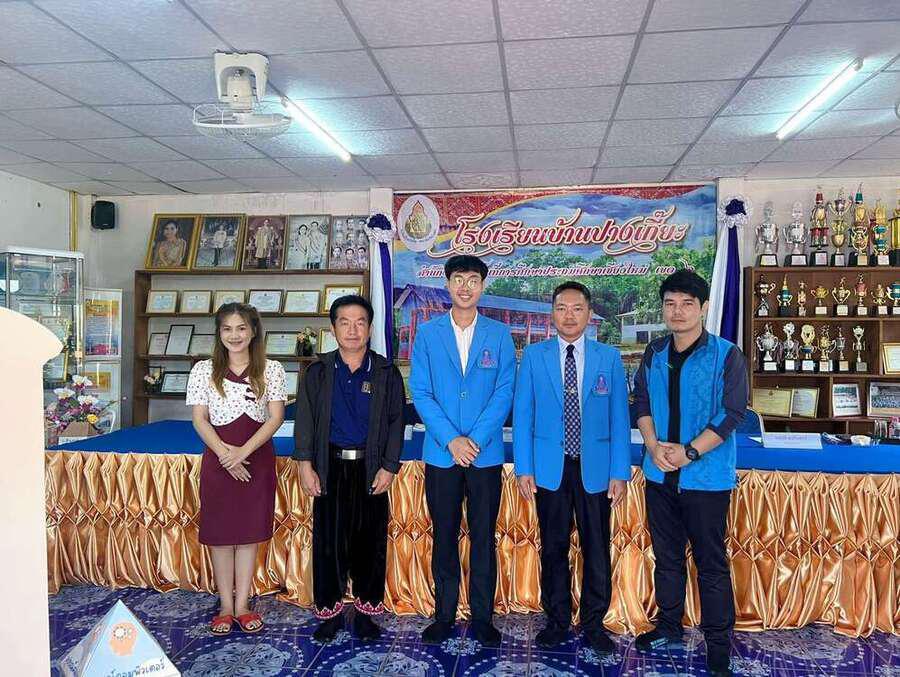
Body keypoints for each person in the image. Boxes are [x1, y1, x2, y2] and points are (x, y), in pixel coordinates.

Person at [631, 269, 747, 677]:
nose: (677, 311)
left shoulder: (726, 355)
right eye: (670, 304)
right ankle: (668, 628)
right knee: (666, 559)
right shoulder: (654, 352)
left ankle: (718, 646)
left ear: (703, 308)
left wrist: (690, 452)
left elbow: (732, 413)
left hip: (706, 479)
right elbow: (641, 402)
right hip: (660, 474)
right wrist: (653, 447)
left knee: (711, 564)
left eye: (687, 304)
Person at [513, 281, 630, 653]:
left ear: (589, 313)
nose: (569, 315)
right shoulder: (534, 356)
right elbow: (523, 414)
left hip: (596, 468)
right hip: (550, 468)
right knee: (553, 547)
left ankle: (594, 623)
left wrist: (620, 471)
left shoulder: (608, 357)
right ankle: (557, 620)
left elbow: (619, 417)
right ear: (552, 313)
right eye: (562, 308)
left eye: (577, 308)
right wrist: (523, 468)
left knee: (596, 547)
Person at [408, 254, 515, 646]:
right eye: (458, 279)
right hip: (442, 453)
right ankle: (444, 615)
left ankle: (483, 618)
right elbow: (421, 391)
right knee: (445, 534)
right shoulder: (428, 333)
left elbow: (504, 391)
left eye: (473, 280)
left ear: (482, 286)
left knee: (483, 536)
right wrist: (451, 439)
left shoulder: (499, 334)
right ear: (447, 284)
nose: (465, 287)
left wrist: (475, 439)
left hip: (485, 455)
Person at [294, 295, 405, 642]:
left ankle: (366, 613)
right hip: (330, 467)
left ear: (370, 328)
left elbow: (396, 422)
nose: (353, 330)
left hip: (371, 469)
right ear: (333, 328)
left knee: (369, 543)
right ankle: (329, 612)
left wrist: (389, 467)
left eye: (360, 323)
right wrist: (305, 465)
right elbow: (305, 421)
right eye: (345, 322)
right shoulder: (318, 371)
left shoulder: (386, 372)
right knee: (329, 543)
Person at [186, 303, 287, 636]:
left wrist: (243, 452)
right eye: (227, 329)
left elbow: (275, 417)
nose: (235, 335)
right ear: (219, 333)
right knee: (220, 536)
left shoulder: (272, 369)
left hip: (256, 459)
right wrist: (225, 455)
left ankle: (242, 605)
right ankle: (225, 607)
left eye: (241, 328)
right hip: (218, 461)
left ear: (254, 331)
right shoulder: (203, 370)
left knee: (246, 535)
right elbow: (200, 419)